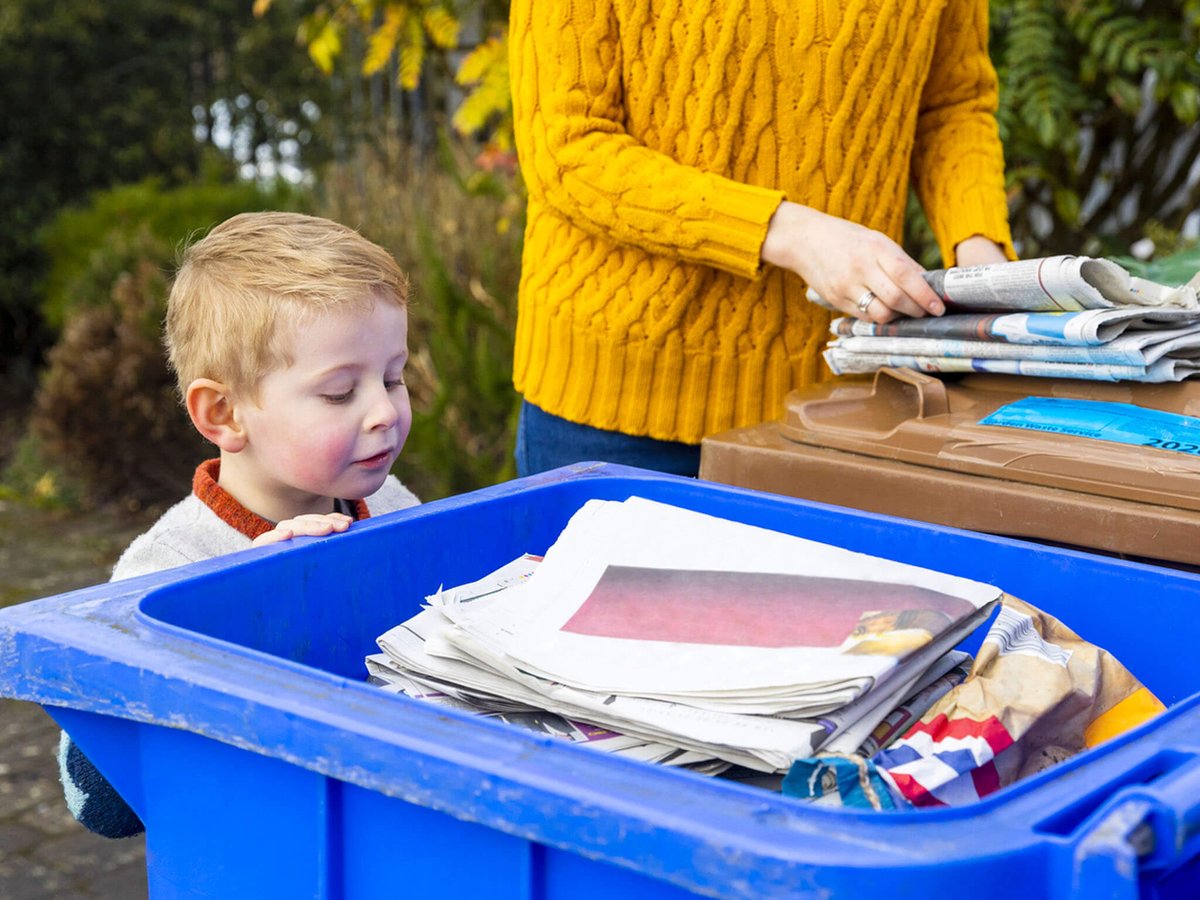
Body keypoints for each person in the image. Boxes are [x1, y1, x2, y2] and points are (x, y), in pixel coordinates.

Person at [509, 0, 1016, 477]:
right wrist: (793, 233)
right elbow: (567, 147)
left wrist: (980, 254)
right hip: (615, 402)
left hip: (842, 400)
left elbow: (952, 103)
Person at [58, 211, 420, 838]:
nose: (385, 412)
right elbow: (98, 804)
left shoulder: (393, 507)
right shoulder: (167, 569)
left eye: (394, 377)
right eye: (339, 393)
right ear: (224, 413)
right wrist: (244, 599)